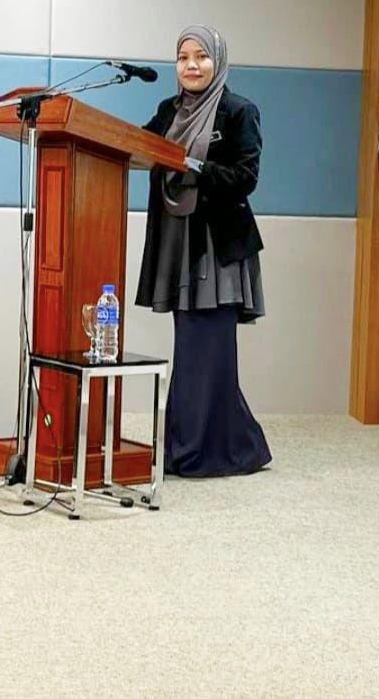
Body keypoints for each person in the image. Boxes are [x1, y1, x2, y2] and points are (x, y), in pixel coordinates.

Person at [137, 25, 272, 477]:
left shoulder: (238, 111)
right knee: (193, 346)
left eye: (201, 56)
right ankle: (220, 446)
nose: (191, 66)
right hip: (177, 242)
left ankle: (199, 450)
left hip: (216, 247)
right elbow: (139, 145)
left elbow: (245, 177)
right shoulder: (168, 110)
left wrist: (193, 165)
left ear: (219, 61)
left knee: (206, 347)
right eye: (183, 57)